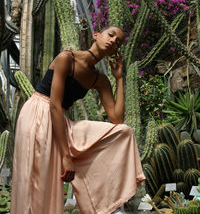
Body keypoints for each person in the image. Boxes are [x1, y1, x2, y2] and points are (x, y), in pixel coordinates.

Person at [10, 26, 145, 214]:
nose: (113, 41)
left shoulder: (100, 79)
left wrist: (119, 78)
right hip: (38, 112)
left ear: (116, 51)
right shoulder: (67, 58)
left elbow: (117, 119)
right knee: (35, 179)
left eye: (118, 43)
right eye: (111, 35)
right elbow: (54, 105)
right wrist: (67, 156)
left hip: (59, 120)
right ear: (96, 35)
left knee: (125, 132)